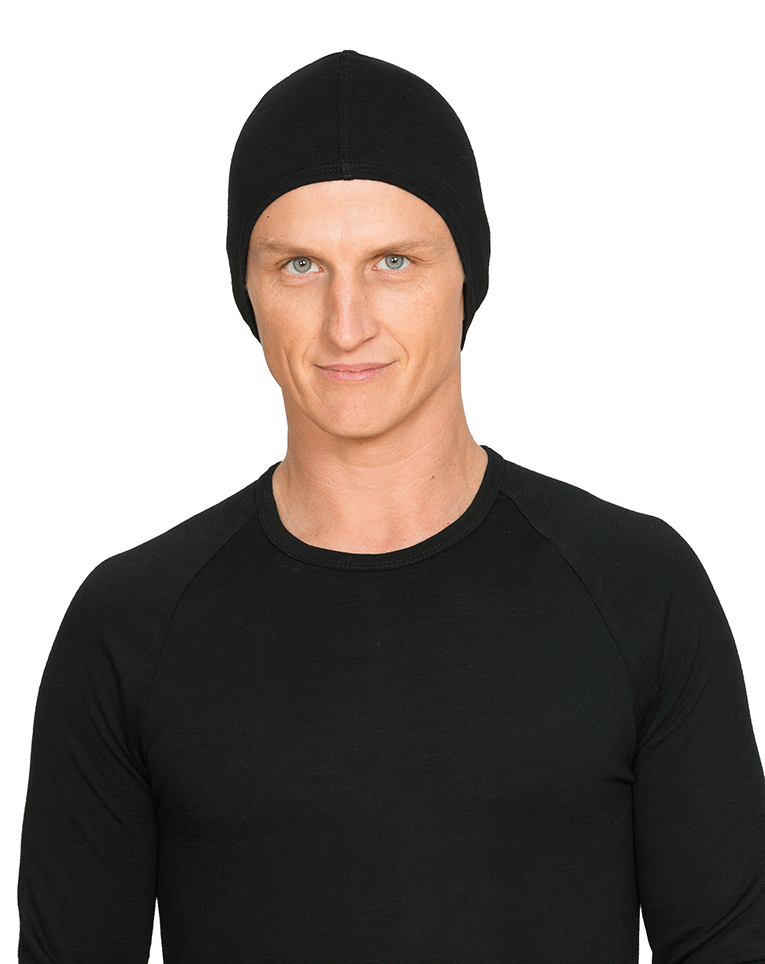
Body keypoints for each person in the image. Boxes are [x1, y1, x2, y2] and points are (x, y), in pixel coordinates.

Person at [18, 50, 765, 964]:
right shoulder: (131, 624)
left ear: (466, 278)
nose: (346, 323)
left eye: (394, 262)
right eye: (299, 265)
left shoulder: (636, 589)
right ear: (247, 290)